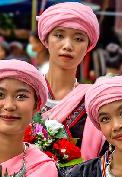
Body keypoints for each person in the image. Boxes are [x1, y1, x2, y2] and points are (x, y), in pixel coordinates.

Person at [36, 2, 104, 160]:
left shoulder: (93, 101)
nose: (67, 46)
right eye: (59, 35)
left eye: (78, 38)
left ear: (88, 46)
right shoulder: (26, 93)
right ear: (45, 40)